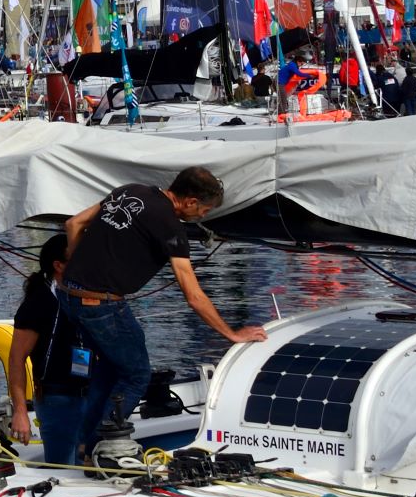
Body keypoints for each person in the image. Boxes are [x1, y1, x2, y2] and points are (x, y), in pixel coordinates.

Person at [61, 165, 265, 471]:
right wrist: (232, 334)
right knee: (136, 375)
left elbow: (73, 223)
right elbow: (194, 296)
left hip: (69, 295)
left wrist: (77, 269)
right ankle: (100, 451)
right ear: (190, 201)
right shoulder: (170, 225)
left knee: (108, 374)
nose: (201, 217)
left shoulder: (130, 189)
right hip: (100, 303)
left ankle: (82, 444)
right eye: (204, 210)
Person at [7, 232, 90, 470]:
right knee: (63, 471)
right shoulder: (39, 302)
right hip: (58, 400)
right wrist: (20, 412)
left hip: (90, 394)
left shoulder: (85, 296)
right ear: (59, 265)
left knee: (91, 468)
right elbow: (16, 359)